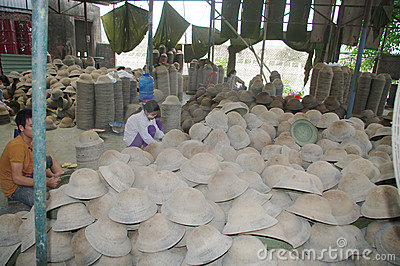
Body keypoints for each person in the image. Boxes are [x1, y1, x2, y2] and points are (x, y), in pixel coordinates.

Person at [0, 109, 63, 207]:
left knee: (50, 160)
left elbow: (35, 164)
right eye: (31, 126)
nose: (36, 129)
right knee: (44, 198)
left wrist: (52, 176)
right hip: (15, 186)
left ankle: (62, 182)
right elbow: (17, 178)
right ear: (21, 128)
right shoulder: (17, 147)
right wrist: (46, 183)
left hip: (26, 173)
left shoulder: (32, 141)